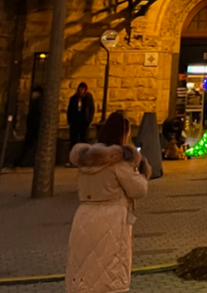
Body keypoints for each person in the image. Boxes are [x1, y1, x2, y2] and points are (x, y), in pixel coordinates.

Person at [66, 112, 150, 293]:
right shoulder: (117, 161)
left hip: (84, 217)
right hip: (111, 220)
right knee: (110, 274)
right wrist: (141, 171)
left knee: (84, 270)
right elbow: (139, 189)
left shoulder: (86, 160)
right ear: (122, 134)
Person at [13, 86, 43, 168]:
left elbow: (36, 116)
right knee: (29, 146)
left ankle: (19, 162)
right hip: (33, 128)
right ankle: (20, 162)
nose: (32, 94)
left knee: (27, 146)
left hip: (34, 128)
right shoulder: (37, 102)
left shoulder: (39, 102)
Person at [67, 82, 95, 149]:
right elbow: (69, 110)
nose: (82, 90)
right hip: (75, 122)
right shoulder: (74, 98)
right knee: (73, 140)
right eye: (81, 88)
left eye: (83, 89)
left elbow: (92, 109)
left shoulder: (88, 98)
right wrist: (70, 121)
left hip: (84, 122)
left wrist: (89, 120)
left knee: (84, 140)